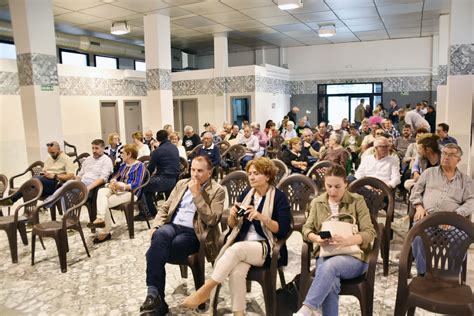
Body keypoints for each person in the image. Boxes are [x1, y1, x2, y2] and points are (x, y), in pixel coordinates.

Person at [182, 157, 292, 314]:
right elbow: (233, 226)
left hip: (266, 246)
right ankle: (239, 313)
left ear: (267, 176)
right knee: (237, 273)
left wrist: (262, 217)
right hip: (245, 245)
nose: (251, 177)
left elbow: (283, 230)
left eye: (256, 173)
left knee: (236, 249)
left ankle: (206, 289)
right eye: (250, 173)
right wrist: (233, 215)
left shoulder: (279, 197)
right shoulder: (248, 194)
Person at [140, 155, 225, 315]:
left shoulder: (217, 190)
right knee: (160, 234)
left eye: (200, 171)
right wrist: (156, 225)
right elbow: (165, 208)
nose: (195, 174)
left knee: (154, 253)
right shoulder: (181, 184)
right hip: (172, 226)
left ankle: (159, 303)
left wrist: (197, 195)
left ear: (209, 172)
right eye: (193, 169)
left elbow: (212, 219)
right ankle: (154, 295)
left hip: (194, 233)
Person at [295, 164, 375, 316]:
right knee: (330, 283)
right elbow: (306, 229)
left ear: (346, 184)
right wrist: (317, 239)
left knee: (330, 267)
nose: (332, 191)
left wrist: (347, 241)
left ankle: (307, 309)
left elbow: (369, 233)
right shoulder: (317, 202)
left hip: (354, 257)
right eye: (329, 186)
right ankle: (309, 310)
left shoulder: (357, 200)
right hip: (326, 253)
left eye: (337, 186)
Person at [410, 144, 474, 275]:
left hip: (452, 221)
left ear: (459, 160)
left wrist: (455, 216)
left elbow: (471, 201)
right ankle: (423, 273)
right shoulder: (429, 173)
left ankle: (451, 274)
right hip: (427, 217)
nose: (446, 157)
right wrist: (419, 206)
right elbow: (415, 192)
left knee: (461, 239)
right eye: (444, 153)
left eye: (451, 155)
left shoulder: (465, 180)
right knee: (418, 236)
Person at [92, 144, 145, 243]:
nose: (121, 155)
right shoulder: (124, 165)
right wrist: (112, 182)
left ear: (129, 154)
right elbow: (115, 176)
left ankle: (105, 232)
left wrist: (123, 186)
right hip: (119, 189)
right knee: (101, 191)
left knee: (105, 202)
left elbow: (137, 183)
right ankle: (100, 218)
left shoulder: (140, 166)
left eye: (123, 153)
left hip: (131, 193)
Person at [0, 141, 75, 206]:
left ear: (58, 149)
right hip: (45, 181)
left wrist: (55, 176)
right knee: (30, 187)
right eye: (50, 153)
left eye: (53, 153)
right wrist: (45, 173)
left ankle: (11, 200)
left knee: (34, 180)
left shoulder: (66, 159)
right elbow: (45, 170)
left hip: (56, 183)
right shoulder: (49, 157)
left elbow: (71, 176)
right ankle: (28, 214)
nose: (52, 155)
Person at [136, 130, 180, 220]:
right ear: (167, 137)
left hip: (163, 180)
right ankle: (152, 211)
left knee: (141, 186)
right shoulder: (174, 147)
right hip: (175, 180)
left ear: (157, 139)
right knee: (148, 187)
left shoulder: (158, 151)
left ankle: (146, 213)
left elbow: (150, 169)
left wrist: (141, 178)